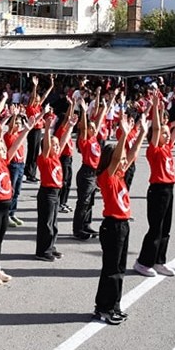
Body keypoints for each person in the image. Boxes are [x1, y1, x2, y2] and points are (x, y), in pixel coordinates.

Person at [92, 109, 148, 325]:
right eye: (120, 160)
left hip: (123, 225)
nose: (125, 163)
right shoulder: (106, 177)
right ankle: (103, 307)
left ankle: (114, 304)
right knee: (111, 269)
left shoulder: (119, 174)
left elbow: (131, 154)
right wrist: (123, 135)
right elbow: (118, 157)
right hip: (112, 226)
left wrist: (141, 132)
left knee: (119, 268)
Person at [134, 90, 175, 279]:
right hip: (157, 190)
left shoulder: (167, 147)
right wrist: (156, 107)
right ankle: (143, 262)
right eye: (164, 133)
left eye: (167, 133)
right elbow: (156, 129)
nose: (167, 134)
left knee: (166, 228)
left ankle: (159, 260)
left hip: (169, 189)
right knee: (155, 228)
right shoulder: (154, 150)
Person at [0, 115, 34, 286]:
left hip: (5, 207)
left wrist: (27, 130)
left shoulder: (3, 162)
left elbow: (15, 145)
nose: (4, 149)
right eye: (1, 147)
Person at [34, 108, 77, 261]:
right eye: (54, 145)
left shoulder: (56, 157)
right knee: (46, 223)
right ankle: (42, 251)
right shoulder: (44, 158)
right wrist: (46, 129)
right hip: (47, 193)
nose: (57, 146)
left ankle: (51, 247)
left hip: (56, 193)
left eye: (57, 145)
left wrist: (70, 126)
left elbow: (64, 140)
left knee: (53, 223)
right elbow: (46, 145)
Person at [72, 91, 110, 240]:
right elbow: (84, 128)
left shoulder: (94, 138)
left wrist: (105, 107)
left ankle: (86, 224)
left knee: (90, 201)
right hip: (86, 173)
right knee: (83, 202)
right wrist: (83, 110)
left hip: (94, 174)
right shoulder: (85, 141)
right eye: (91, 128)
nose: (93, 129)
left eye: (94, 128)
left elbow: (99, 121)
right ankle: (78, 229)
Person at [24, 74, 54, 182]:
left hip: (38, 130)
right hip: (33, 130)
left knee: (35, 152)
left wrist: (51, 85)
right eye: (35, 100)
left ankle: (29, 171)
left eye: (38, 100)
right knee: (33, 152)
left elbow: (44, 96)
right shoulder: (30, 108)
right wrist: (35, 87)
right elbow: (33, 97)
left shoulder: (37, 106)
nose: (37, 101)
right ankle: (30, 174)